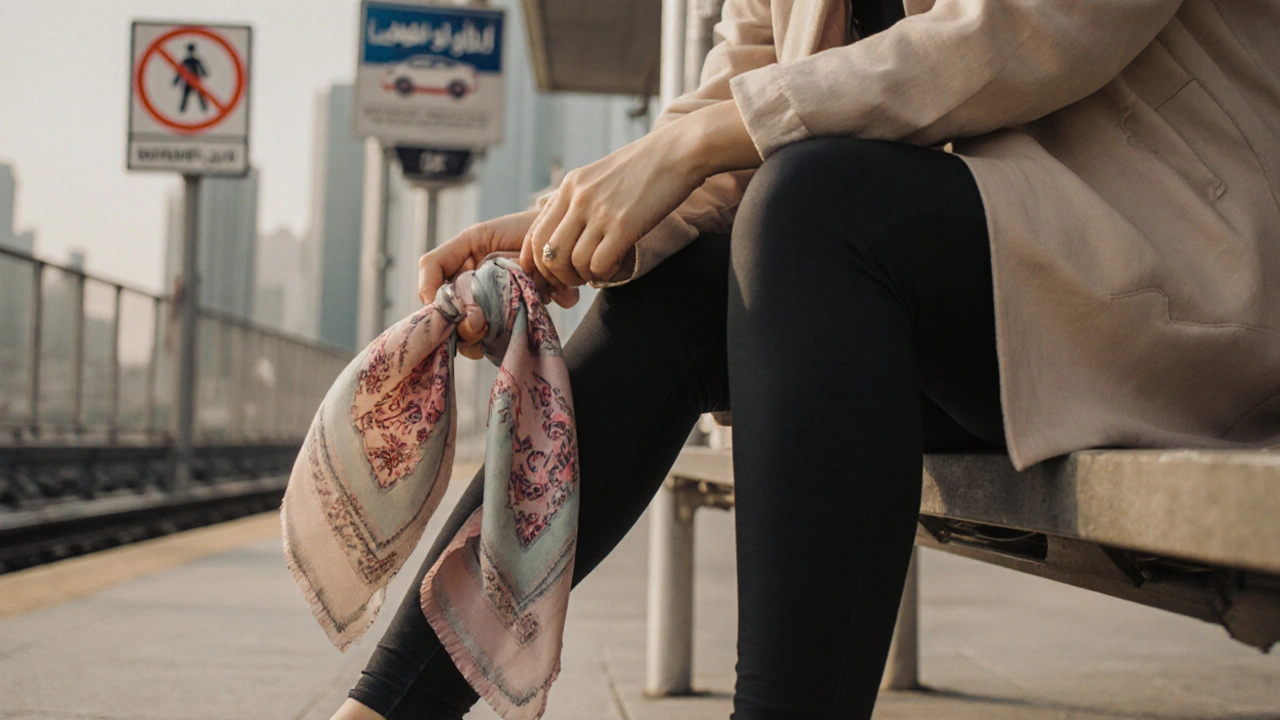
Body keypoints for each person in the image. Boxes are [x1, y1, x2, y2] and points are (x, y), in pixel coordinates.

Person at [333, 0, 1280, 718]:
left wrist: (706, 142)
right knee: (690, 284)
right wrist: (559, 228)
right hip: (967, 306)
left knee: (810, 207)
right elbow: (733, 111)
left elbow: (1036, 24)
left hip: (1167, 278)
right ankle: (383, 711)